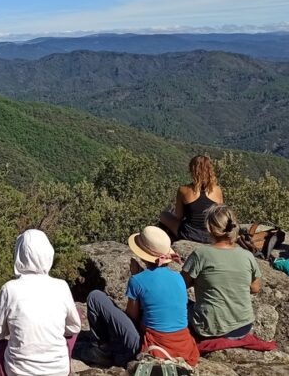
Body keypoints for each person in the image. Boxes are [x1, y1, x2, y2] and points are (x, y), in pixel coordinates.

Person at [0, 230, 81, 376]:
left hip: (19, 371)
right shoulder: (61, 286)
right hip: (59, 370)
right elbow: (74, 328)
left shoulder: (10, 289)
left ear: (19, 255)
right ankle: (61, 357)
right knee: (77, 313)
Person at [83, 226, 199, 367]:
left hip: (153, 345)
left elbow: (132, 317)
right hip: (181, 346)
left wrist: (136, 276)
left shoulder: (137, 280)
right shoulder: (178, 278)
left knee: (95, 297)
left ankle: (103, 350)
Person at [181, 205, 262, 340]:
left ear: (209, 228)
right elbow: (255, 288)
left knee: (177, 303)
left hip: (208, 328)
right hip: (243, 327)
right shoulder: (247, 256)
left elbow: (180, 285)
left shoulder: (201, 254)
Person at [160, 155, 224, 243]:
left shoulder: (183, 190)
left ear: (192, 171)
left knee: (163, 215)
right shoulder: (217, 190)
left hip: (189, 234)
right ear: (210, 170)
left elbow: (179, 216)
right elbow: (220, 216)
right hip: (211, 236)